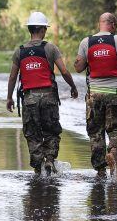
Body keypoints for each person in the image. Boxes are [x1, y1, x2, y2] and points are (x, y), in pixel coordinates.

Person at [6, 11, 79, 176]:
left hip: (29, 99)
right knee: (51, 132)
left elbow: (12, 77)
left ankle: (38, 169)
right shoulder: (50, 48)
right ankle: (49, 160)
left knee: (32, 134)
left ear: (30, 29)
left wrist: (9, 97)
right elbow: (65, 72)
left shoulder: (20, 51)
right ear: (43, 29)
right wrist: (73, 87)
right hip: (48, 97)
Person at [73, 12, 117, 181]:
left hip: (94, 95)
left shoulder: (86, 42)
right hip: (115, 94)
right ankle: (114, 152)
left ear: (99, 24)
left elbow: (78, 67)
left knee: (95, 132)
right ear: (113, 25)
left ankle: (100, 172)